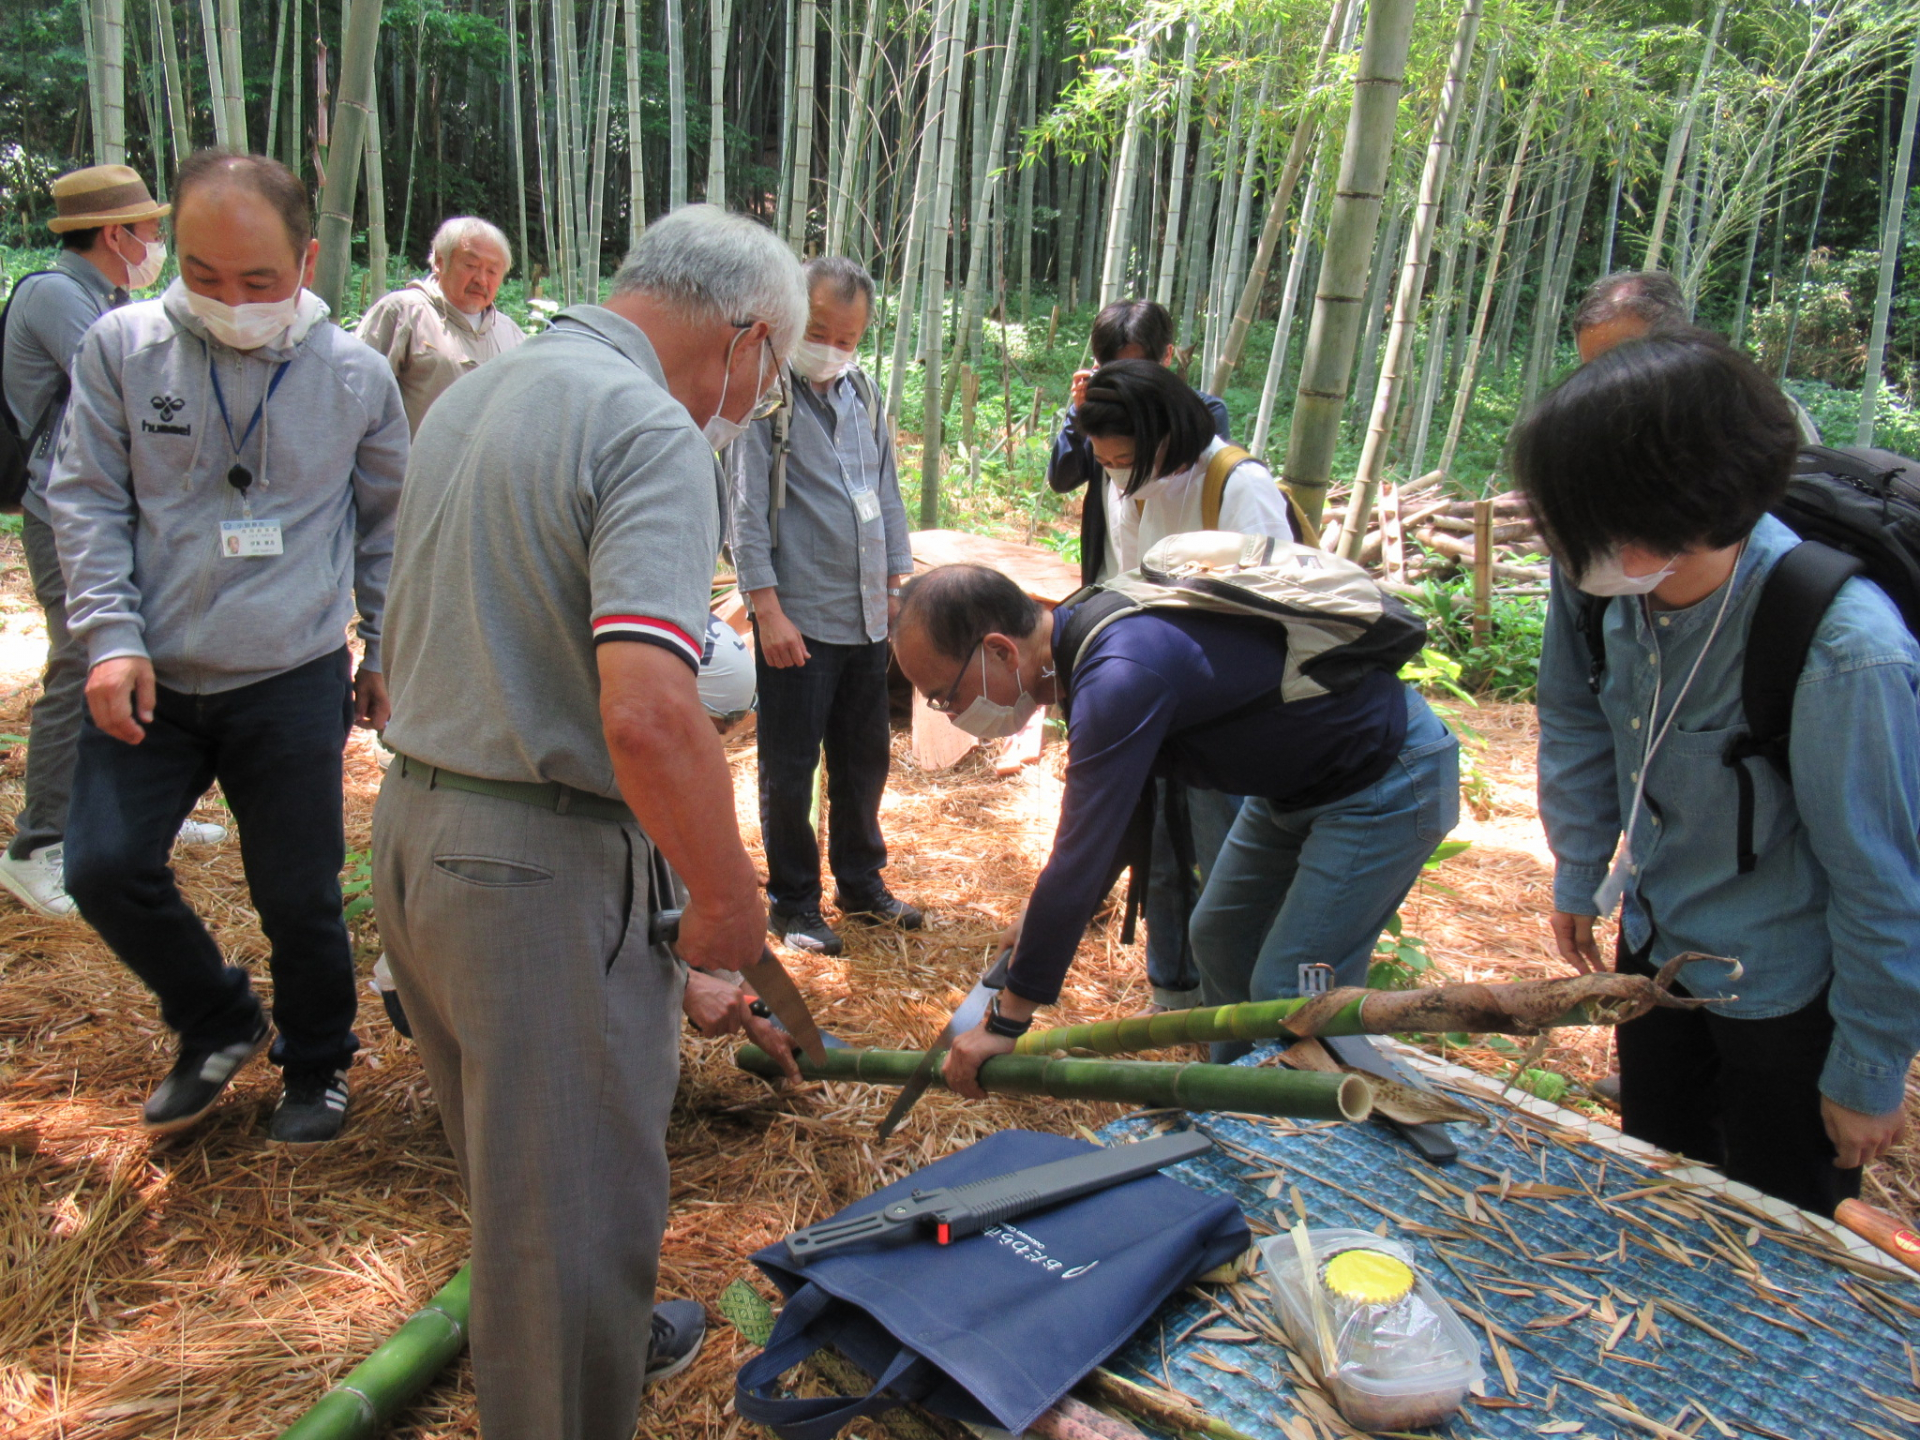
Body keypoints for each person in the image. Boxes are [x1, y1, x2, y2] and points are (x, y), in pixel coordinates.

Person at [371, 204, 807, 1440]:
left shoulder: (480, 394)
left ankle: (577, 1359)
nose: (755, 399)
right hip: (537, 869)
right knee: (574, 1231)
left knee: (520, 1202)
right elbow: (653, 715)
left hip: (421, 833)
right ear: (748, 338)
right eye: (766, 378)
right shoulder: (646, 429)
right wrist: (723, 903)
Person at [46, 150, 407, 1144]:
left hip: (288, 673)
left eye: (259, 280)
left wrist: (380, 649)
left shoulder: (353, 374)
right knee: (102, 866)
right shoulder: (121, 347)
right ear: (170, 253)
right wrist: (111, 637)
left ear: (308, 255)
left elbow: (387, 525)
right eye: (203, 275)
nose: (231, 300)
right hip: (151, 667)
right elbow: (85, 498)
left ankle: (318, 1061)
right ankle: (215, 1016)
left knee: (299, 892)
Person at [1524, 327, 1920, 1216]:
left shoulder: (1843, 651)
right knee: (1662, 1182)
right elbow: (1577, 719)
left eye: (1581, 522)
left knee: (1780, 1226)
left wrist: (1867, 1072)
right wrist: (1583, 870)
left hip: (1784, 988)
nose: (1564, 546)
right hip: (1658, 945)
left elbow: (1881, 880)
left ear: (1676, 514)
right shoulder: (1599, 580)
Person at [891, 562, 1459, 1094]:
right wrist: (1041, 922)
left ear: (998, 650)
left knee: (1293, 990)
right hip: (1294, 786)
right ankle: (1239, 1097)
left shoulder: (1118, 671)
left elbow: (1082, 852)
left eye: (946, 695)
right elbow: (1112, 825)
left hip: (1382, 778)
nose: (950, 711)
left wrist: (1008, 1018)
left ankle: (1314, 1132)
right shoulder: (1082, 643)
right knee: (1217, 935)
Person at [0, 164, 226, 920]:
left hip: (127, 514)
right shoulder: (57, 297)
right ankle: (40, 844)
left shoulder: (109, 296)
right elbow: (143, 381)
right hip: (68, 514)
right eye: (153, 231)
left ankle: (140, 817)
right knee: (83, 662)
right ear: (113, 233)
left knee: (144, 653)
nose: (157, 243)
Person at [1071, 358, 1301, 1008]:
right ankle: (1173, 990)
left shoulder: (1236, 486)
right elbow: (1128, 583)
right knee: (1164, 852)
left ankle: (1235, 1008)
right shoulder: (1130, 484)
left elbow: (1275, 611)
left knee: (1227, 859)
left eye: (1122, 459)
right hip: (1163, 697)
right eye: (1105, 460)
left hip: (1230, 712)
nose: (1114, 474)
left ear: (1163, 439)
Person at [727, 255, 920, 956]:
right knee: (790, 764)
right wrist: (767, 610)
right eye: (821, 331)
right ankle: (793, 902)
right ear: (788, 319)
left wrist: (899, 587)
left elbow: (888, 494)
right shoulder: (763, 394)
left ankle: (862, 885)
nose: (834, 349)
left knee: (864, 758)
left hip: (867, 611)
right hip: (799, 619)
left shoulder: (861, 392)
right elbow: (745, 513)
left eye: (849, 337)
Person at [1048, 299, 1231, 585]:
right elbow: (1062, 479)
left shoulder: (1202, 414)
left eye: (1134, 368)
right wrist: (1081, 416)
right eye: (1109, 370)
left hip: (1172, 584)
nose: (1122, 383)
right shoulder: (1098, 407)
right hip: (1108, 580)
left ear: (1167, 356)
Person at [1572, 269, 1821, 443]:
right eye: (1591, 371)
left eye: (1621, 362)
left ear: (1675, 340)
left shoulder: (1756, 410)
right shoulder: (1585, 424)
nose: (1605, 383)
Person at [354, 215, 525, 436]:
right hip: (412, 467)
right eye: (471, 265)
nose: (482, 279)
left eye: (492, 271)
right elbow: (356, 396)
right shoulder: (404, 312)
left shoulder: (511, 333)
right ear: (439, 262)